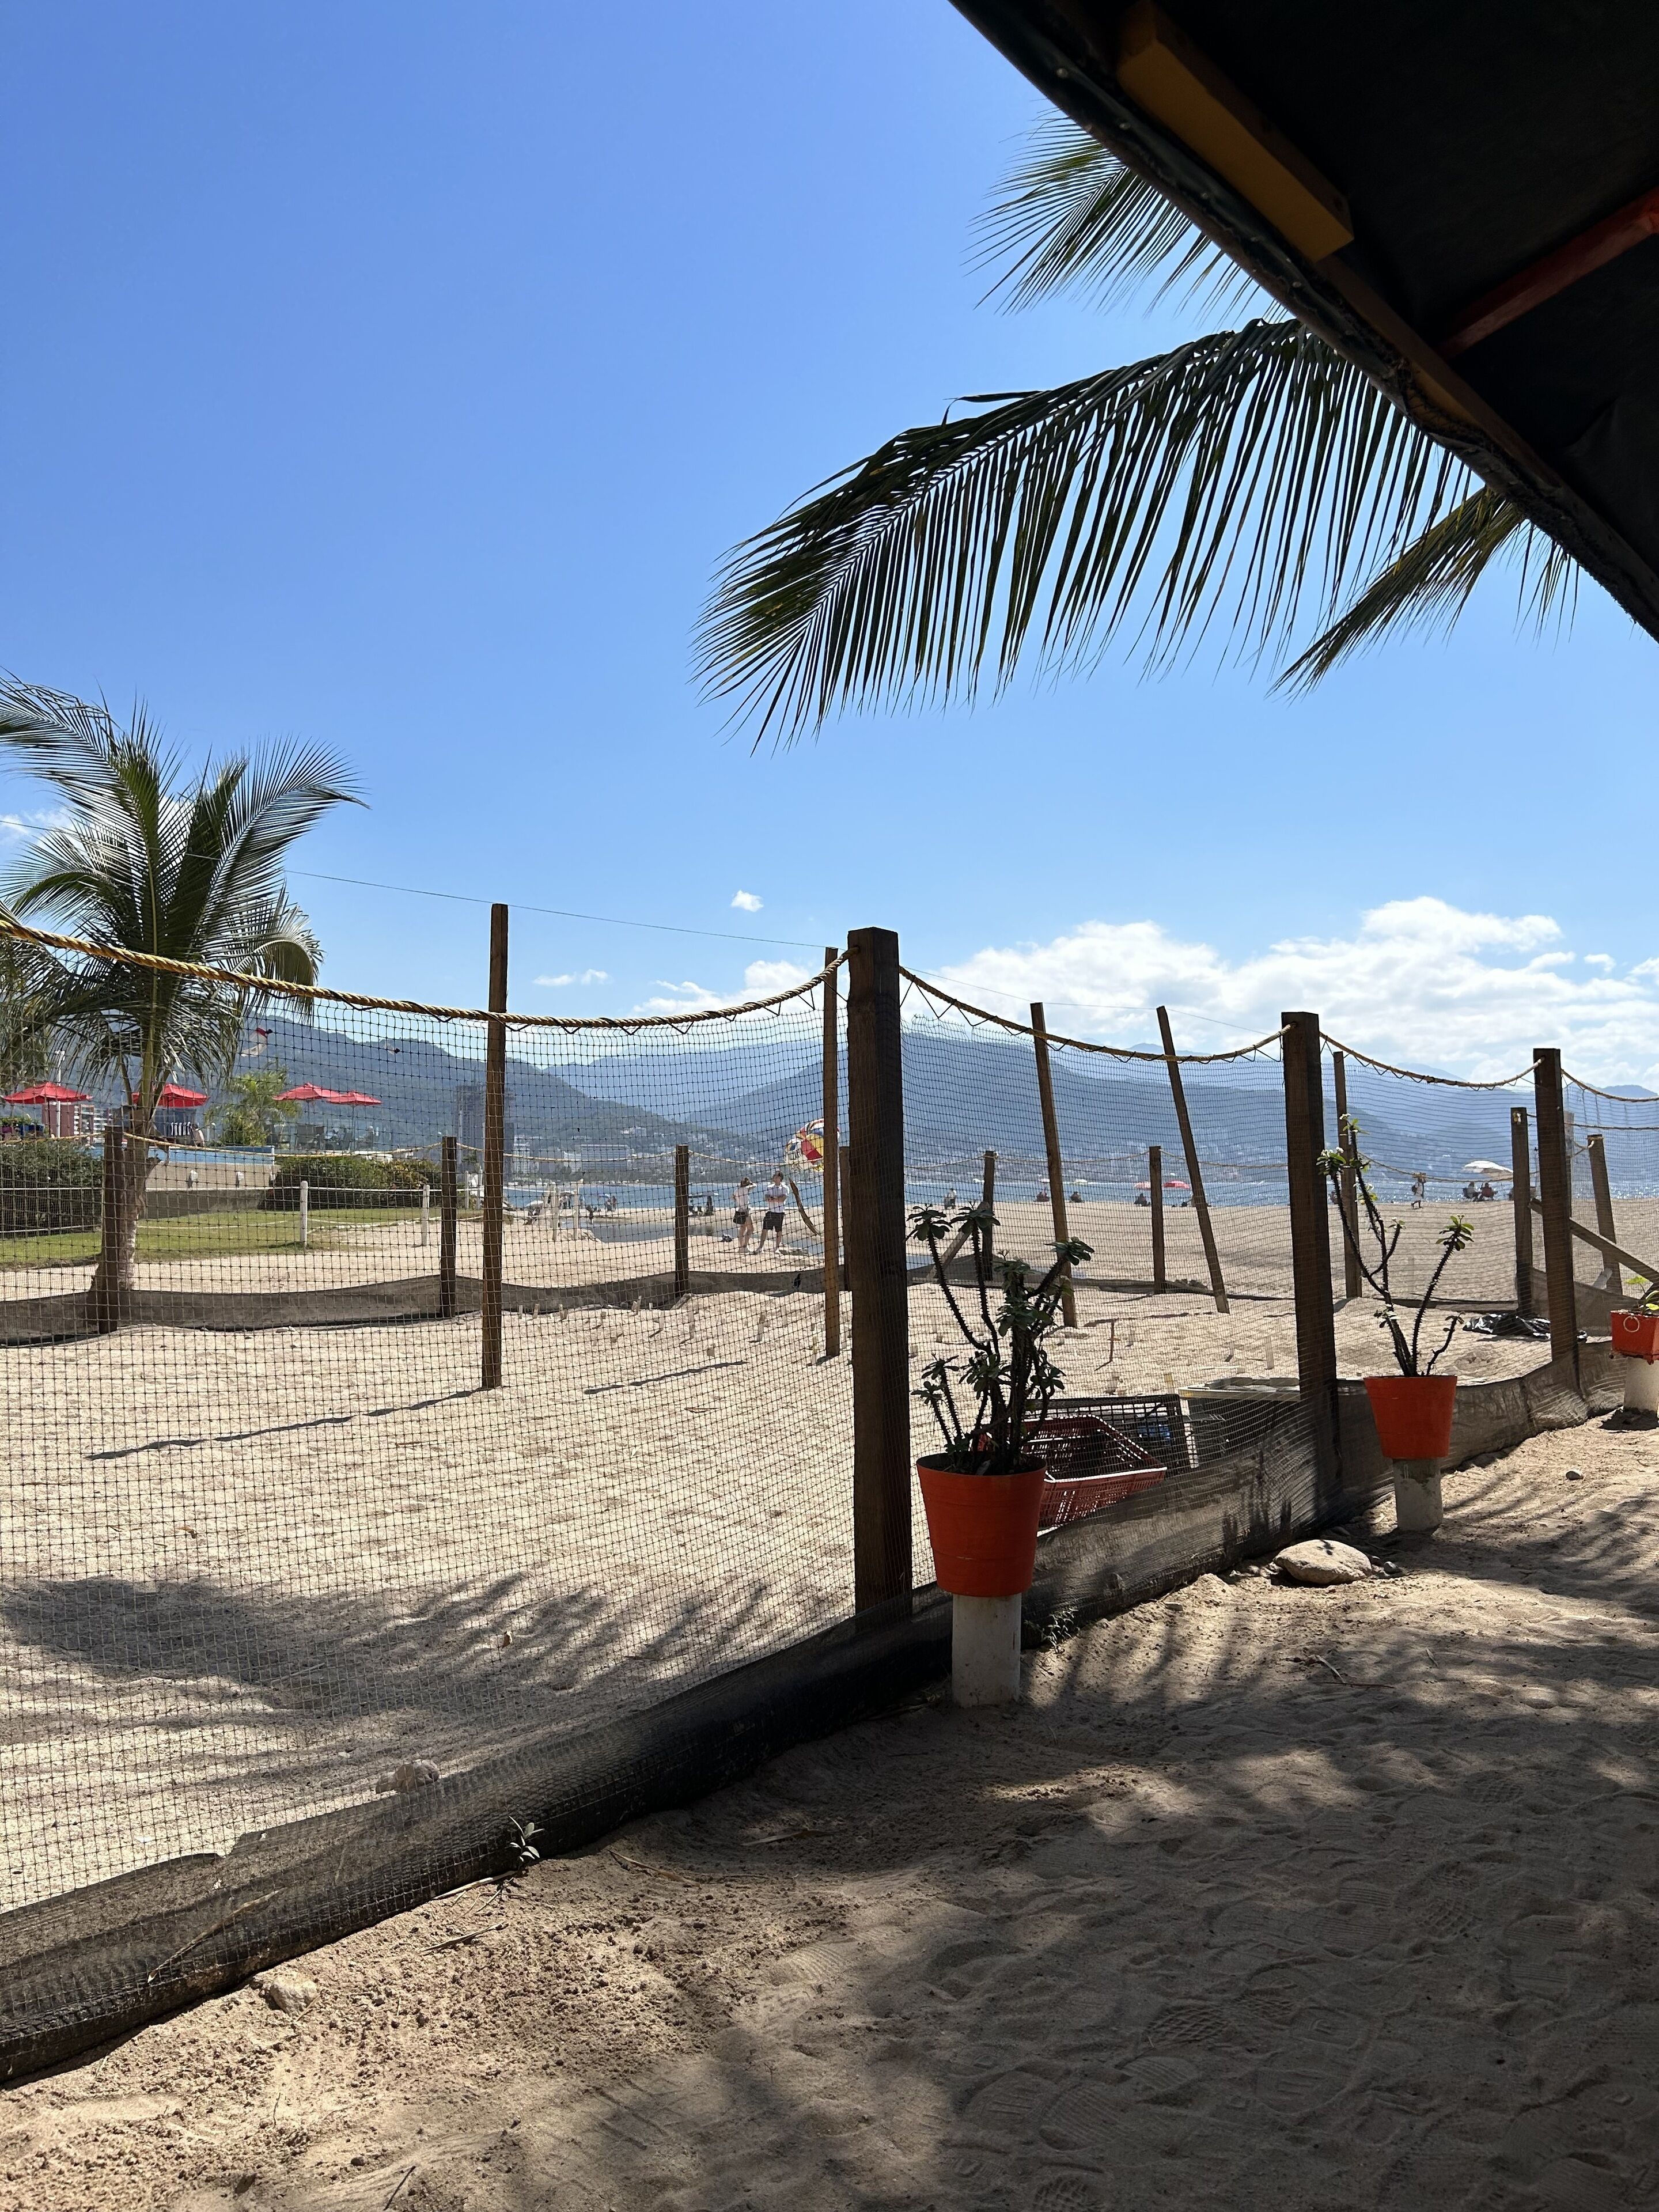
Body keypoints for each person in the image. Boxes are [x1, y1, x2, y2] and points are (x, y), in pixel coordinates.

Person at [758, 1169, 789, 1253]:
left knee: (779, 1231)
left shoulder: (785, 1187)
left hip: (780, 1212)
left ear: (780, 1178)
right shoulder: (770, 1187)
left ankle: (777, 1248)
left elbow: (782, 1199)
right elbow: (766, 1198)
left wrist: (774, 1198)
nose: (775, 1179)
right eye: (775, 1177)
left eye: (777, 1177)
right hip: (771, 1211)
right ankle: (761, 1247)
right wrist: (774, 1198)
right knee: (765, 1229)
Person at [733, 1177, 756, 1256]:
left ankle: (741, 1247)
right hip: (746, 1212)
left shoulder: (737, 1191)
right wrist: (751, 1183)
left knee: (742, 1229)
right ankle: (745, 1247)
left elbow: (733, 1197)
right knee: (751, 1229)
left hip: (739, 1211)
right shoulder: (746, 1189)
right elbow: (754, 1186)